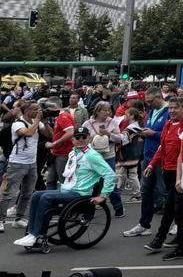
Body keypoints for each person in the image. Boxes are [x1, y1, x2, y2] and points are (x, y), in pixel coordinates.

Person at [12, 127, 116, 248]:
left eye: (84, 137)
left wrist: (103, 195)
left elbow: (110, 174)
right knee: (36, 195)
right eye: (78, 138)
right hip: (67, 189)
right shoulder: (73, 153)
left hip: (80, 194)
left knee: (46, 197)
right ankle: (31, 233)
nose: (80, 140)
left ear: (89, 139)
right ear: (73, 140)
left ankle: (37, 235)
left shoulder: (92, 156)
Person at [143, 98, 183, 260]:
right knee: (171, 208)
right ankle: (166, 241)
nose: (171, 111)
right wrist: (151, 165)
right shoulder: (168, 124)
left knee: (176, 210)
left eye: (175, 108)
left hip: (180, 173)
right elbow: (162, 147)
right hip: (167, 171)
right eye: (170, 108)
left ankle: (172, 243)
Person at [124, 88, 169, 238]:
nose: (149, 104)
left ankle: (178, 223)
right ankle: (144, 224)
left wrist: (153, 134)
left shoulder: (169, 111)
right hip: (149, 156)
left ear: (158, 97)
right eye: (147, 102)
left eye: (151, 101)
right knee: (146, 191)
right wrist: (144, 132)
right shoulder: (151, 112)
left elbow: (172, 134)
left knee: (165, 192)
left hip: (162, 157)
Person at [0, 101, 45, 231]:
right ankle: (0, 220)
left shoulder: (38, 122)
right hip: (17, 163)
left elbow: (50, 135)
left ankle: (19, 219)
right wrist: (37, 121)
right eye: (34, 109)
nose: (38, 111)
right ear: (26, 111)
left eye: (39, 109)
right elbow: (27, 133)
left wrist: (45, 123)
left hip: (32, 163)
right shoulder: (17, 124)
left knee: (27, 193)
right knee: (9, 193)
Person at [80, 101, 126, 218]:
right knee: (91, 182)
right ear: (97, 111)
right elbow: (82, 138)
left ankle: (118, 207)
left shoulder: (112, 122)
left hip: (108, 155)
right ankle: (89, 208)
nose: (107, 113)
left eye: (108, 110)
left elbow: (119, 139)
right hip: (92, 156)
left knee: (109, 180)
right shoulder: (88, 123)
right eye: (104, 110)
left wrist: (109, 134)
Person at [44, 98, 75, 190]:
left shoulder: (63, 116)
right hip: (57, 153)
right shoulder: (59, 117)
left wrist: (54, 144)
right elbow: (56, 134)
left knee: (63, 181)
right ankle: (51, 201)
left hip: (63, 153)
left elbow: (70, 132)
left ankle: (62, 202)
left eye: (48, 108)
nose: (47, 110)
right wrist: (45, 124)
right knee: (50, 181)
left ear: (55, 106)